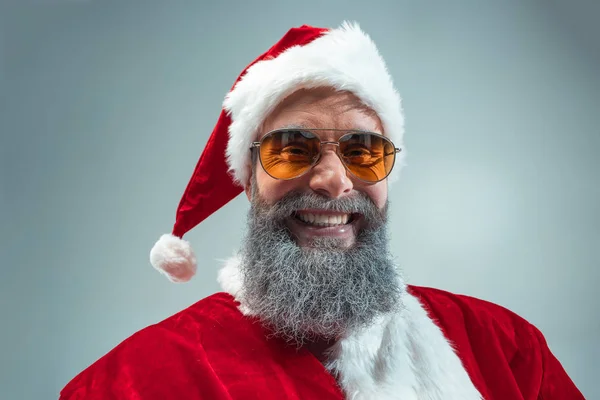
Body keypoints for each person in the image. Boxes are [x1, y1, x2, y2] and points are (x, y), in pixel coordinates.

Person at [59, 22, 584, 400]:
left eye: (362, 151)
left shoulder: (506, 351)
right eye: (291, 148)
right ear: (248, 181)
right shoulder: (132, 383)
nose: (334, 182)